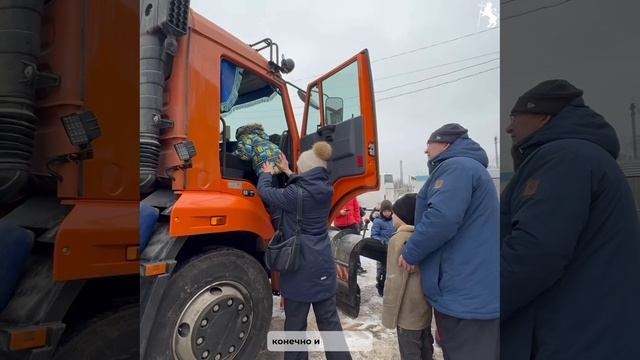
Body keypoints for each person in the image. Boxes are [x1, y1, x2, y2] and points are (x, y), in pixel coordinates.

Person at [501, 79, 640, 360]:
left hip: (568, 338)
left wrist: (482, 303)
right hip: (589, 332)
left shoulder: (563, 158)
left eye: (515, 116)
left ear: (543, 116)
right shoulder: (583, 157)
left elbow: (534, 255)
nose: (509, 127)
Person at [399, 123, 499, 360]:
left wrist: (412, 251)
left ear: (445, 144)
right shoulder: (467, 167)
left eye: (429, 146)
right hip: (469, 291)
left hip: (466, 295)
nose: (426, 152)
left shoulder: (456, 167)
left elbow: (441, 218)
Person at [258, 142, 351, 360]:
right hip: (322, 263)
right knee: (330, 323)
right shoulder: (327, 189)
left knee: (296, 327)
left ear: (306, 169)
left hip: (300, 266)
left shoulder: (294, 194)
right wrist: (288, 170)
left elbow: (265, 192)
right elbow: (303, 189)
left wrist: (267, 173)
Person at [382, 193, 434, 360]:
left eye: (395, 212)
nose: (392, 216)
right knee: (426, 348)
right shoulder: (425, 237)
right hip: (424, 309)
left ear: (403, 216)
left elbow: (394, 280)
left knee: (410, 352)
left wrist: (389, 316)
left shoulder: (398, 240)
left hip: (406, 313)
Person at [333, 197, 365, 274]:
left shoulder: (352, 196)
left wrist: (356, 221)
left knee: (355, 245)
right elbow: (332, 211)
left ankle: (357, 266)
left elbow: (356, 209)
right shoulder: (337, 196)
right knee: (341, 247)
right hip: (339, 225)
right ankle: (342, 267)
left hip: (352, 224)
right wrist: (340, 213)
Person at [371, 199, 394, 296]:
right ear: (381, 211)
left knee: (391, 270)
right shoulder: (378, 221)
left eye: (389, 211)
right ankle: (380, 286)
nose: (387, 213)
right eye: (385, 211)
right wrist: (380, 240)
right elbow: (374, 235)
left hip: (393, 249)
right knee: (382, 270)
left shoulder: (394, 220)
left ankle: (389, 287)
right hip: (382, 249)